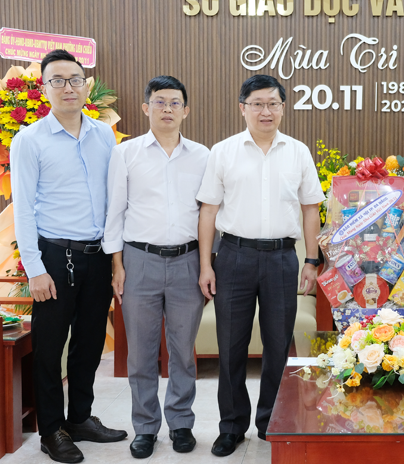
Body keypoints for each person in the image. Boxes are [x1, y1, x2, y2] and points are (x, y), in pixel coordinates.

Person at [196, 74, 324, 457]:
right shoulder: (223, 151)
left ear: (283, 108)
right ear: (243, 108)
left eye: (273, 104)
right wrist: (206, 265)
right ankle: (231, 426)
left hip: (282, 258)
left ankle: (271, 421)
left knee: (278, 345)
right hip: (233, 257)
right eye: (257, 104)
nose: (265, 111)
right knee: (230, 346)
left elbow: (311, 209)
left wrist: (312, 259)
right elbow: (208, 211)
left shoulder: (298, 152)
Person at [11, 49, 127, 464]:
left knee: (89, 343)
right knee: (49, 348)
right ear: (45, 88)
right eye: (57, 80)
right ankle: (51, 430)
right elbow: (23, 209)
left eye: (75, 79)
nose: (68, 87)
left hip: (96, 256)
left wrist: (115, 259)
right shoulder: (29, 140)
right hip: (54, 257)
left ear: (86, 85)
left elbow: (115, 200)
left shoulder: (103, 136)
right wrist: (35, 269)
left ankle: (79, 418)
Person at [102, 76, 209, 459]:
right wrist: (117, 264)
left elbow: (209, 214)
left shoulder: (202, 156)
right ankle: (145, 427)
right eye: (160, 102)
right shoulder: (125, 153)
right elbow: (115, 211)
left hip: (187, 261)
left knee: (182, 351)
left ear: (186, 111)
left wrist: (206, 264)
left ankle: (180, 423)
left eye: (175, 102)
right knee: (141, 353)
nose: (167, 109)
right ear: (146, 107)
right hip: (139, 261)